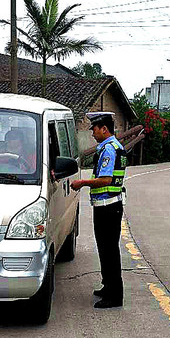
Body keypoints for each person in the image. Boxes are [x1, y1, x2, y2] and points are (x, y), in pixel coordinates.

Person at [71, 112, 127, 309]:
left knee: (109, 250)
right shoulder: (111, 147)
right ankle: (108, 286)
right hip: (107, 206)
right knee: (105, 248)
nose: (92, 133)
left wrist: (82, 182)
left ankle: (114, 295)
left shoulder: (109, 150)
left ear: (104, 129)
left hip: (108, 208)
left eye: (94, 129)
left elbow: (106, 180)